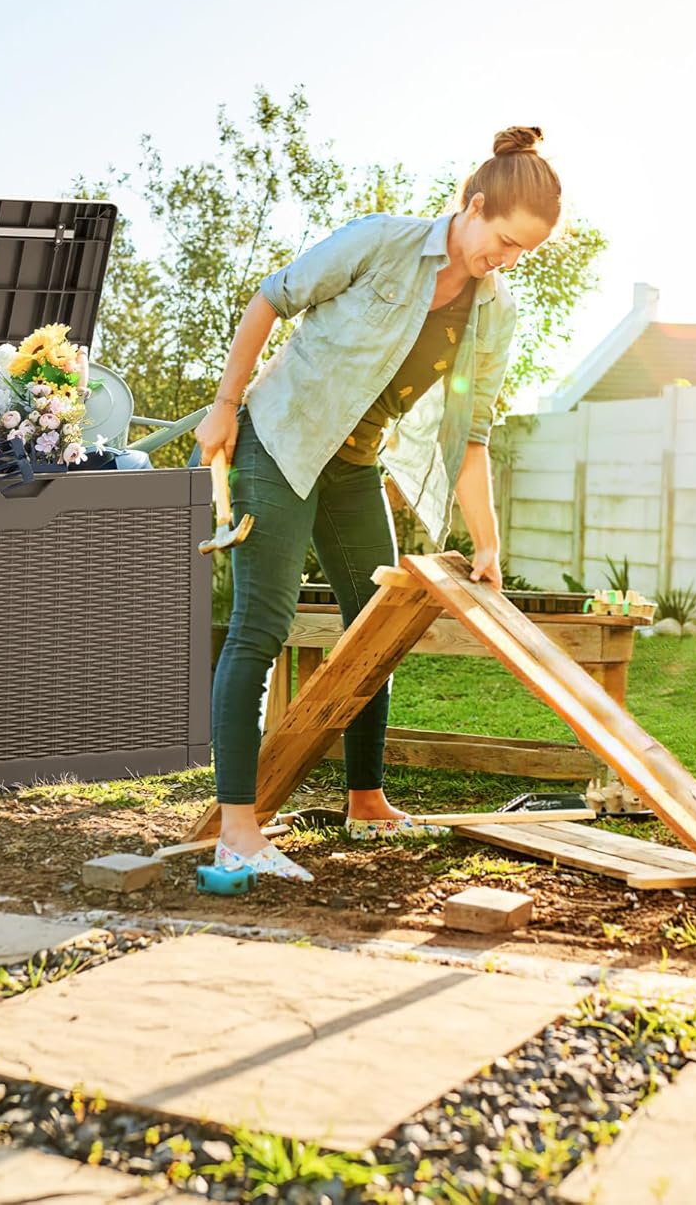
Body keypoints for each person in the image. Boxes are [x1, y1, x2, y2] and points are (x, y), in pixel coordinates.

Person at [195, 126, 563, 882]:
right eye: (502, 238)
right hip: (280, 443)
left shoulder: (495, 315)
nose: (506, 259)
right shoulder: (380, 242)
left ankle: (366, 798)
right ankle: (237, 829)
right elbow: (272, 298)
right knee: (261, 626)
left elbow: (471, 436)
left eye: (524, 250)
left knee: (377, 626)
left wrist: (487, 542)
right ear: (473, 203)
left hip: (352, 466)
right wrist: (225, 406)